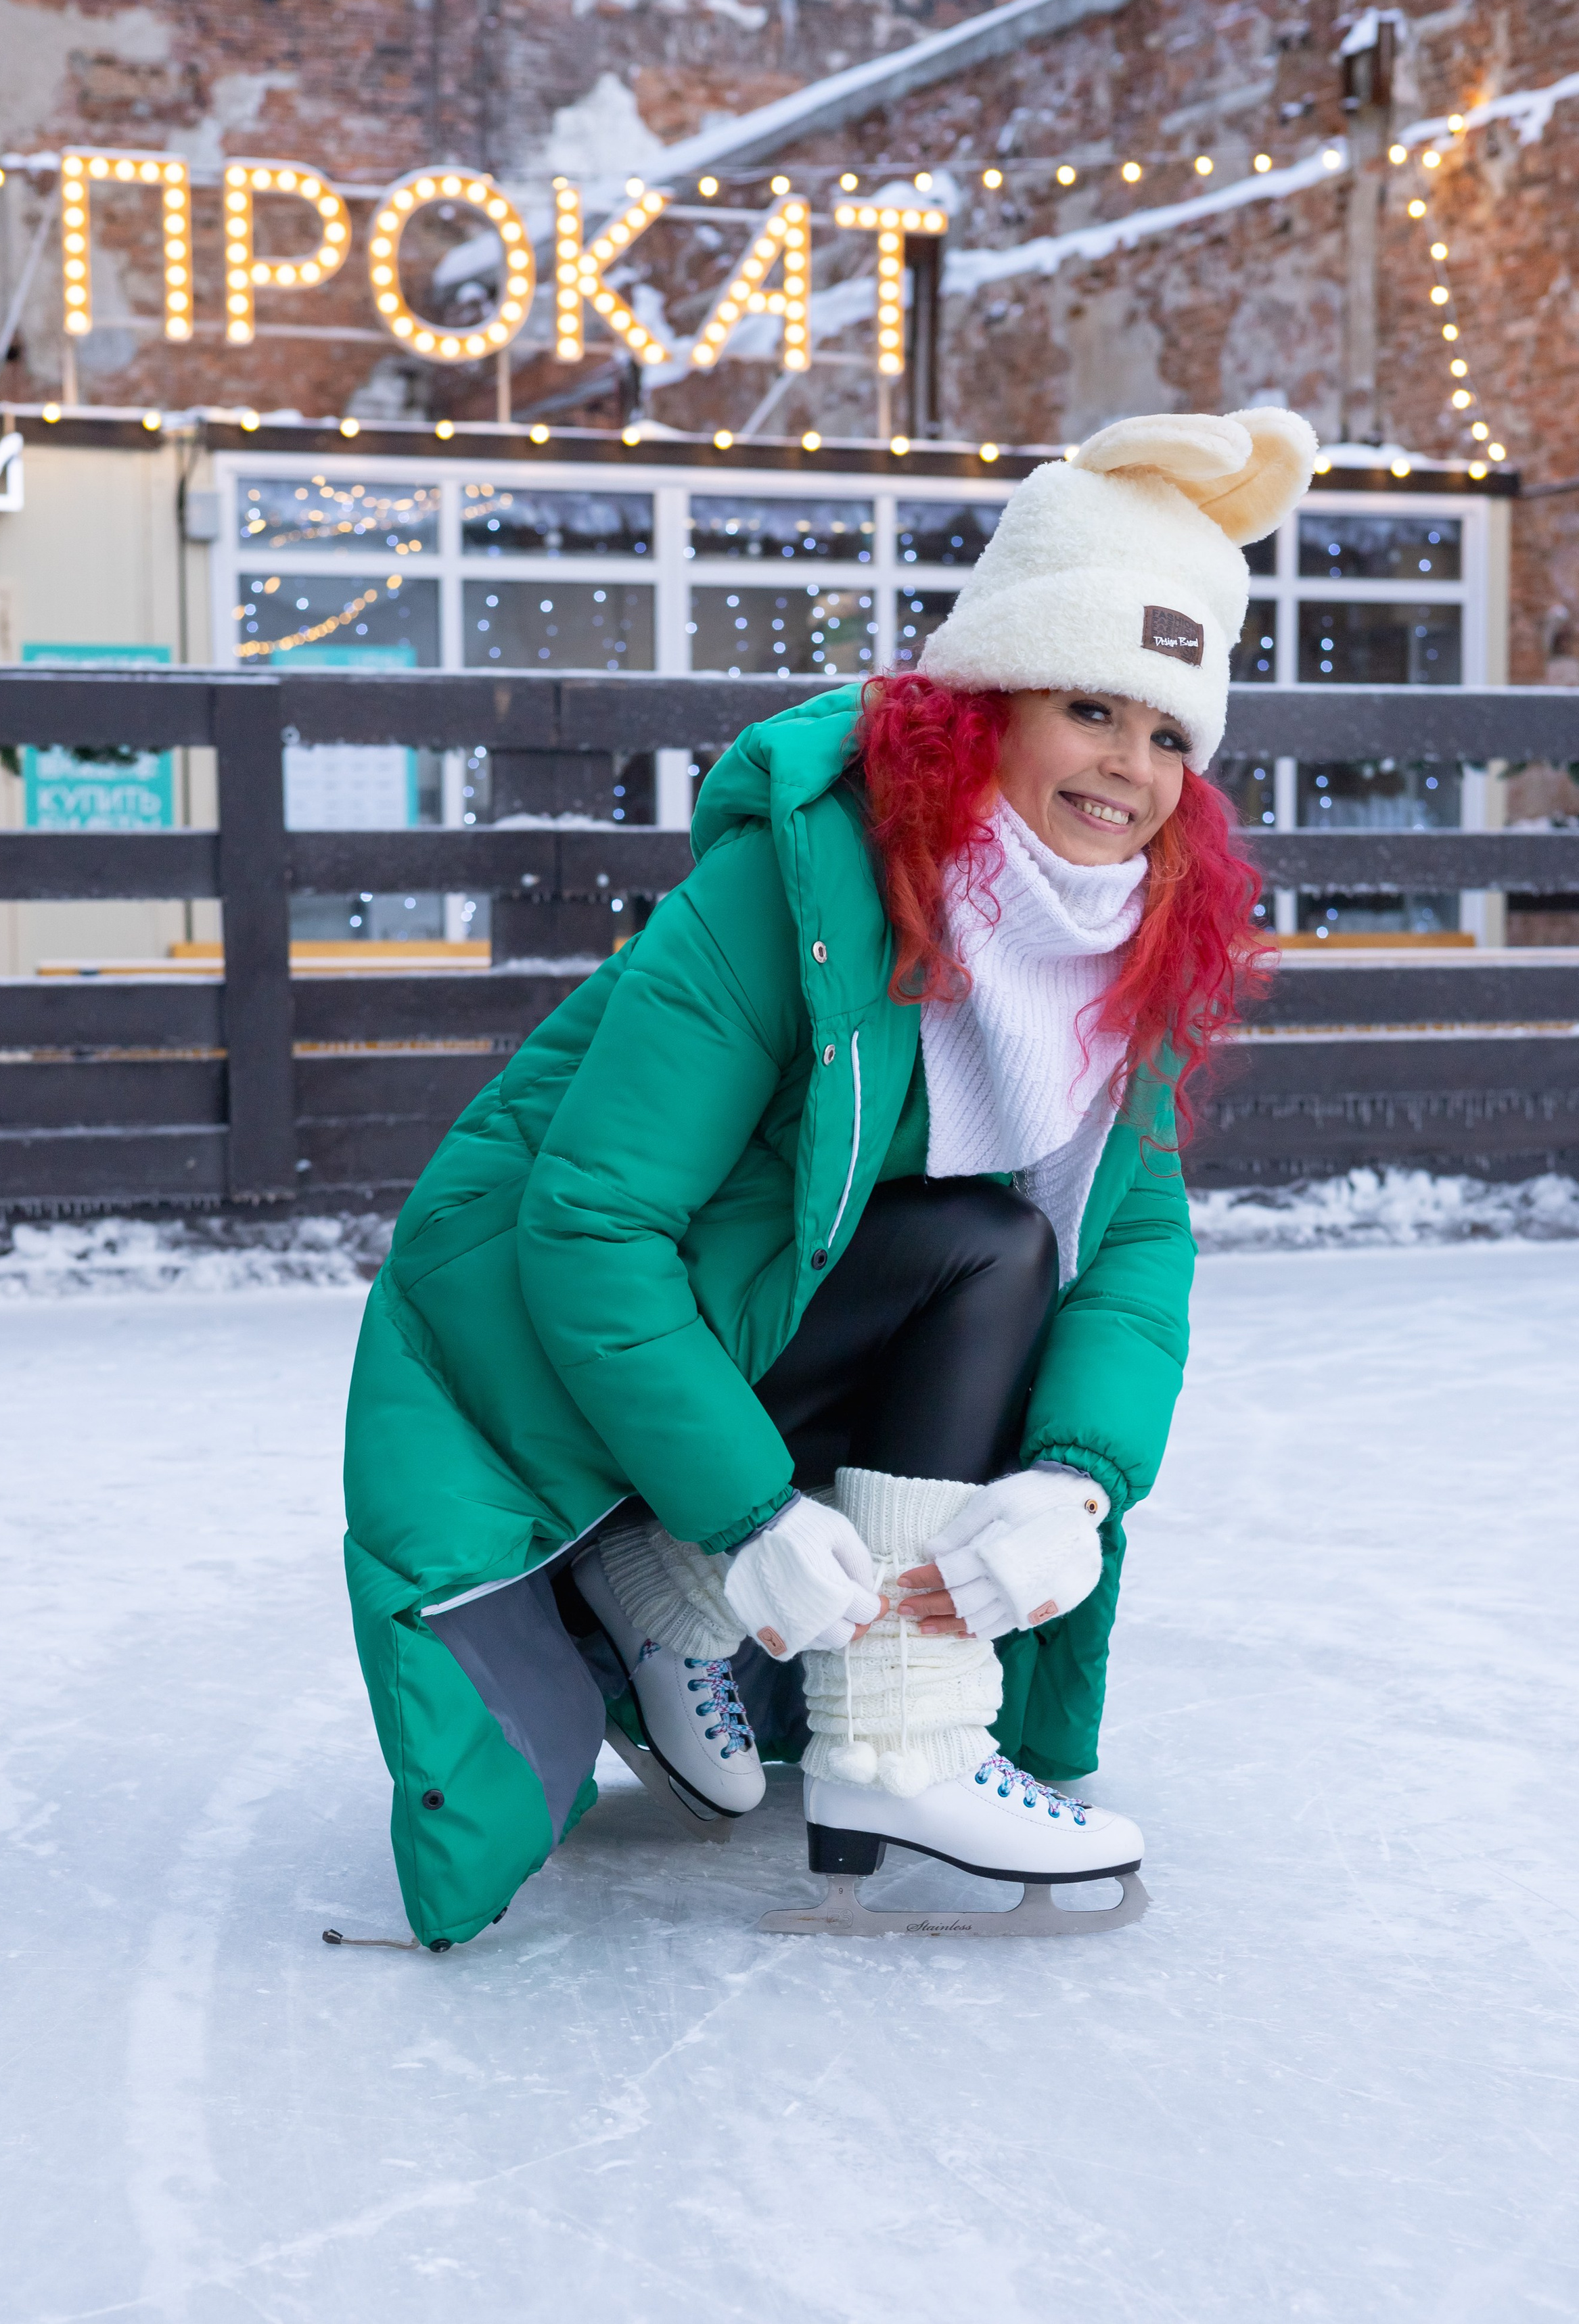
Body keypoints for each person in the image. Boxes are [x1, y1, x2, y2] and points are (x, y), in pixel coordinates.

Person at [342, 406, 1316, 1949]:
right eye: (1091, 708)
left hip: (743, 1330)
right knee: (982, 1248)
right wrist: (742, 1516)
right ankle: (668, 1569)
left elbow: (1132, 1247)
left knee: (1005, 1248)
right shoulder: (794, 889)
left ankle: (860, 1719)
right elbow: (587, 1226)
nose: (1128, 770)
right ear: (989, 702)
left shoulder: (1111, 948)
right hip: (533, 1340)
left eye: (1166, 734)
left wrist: (1078, 1479)